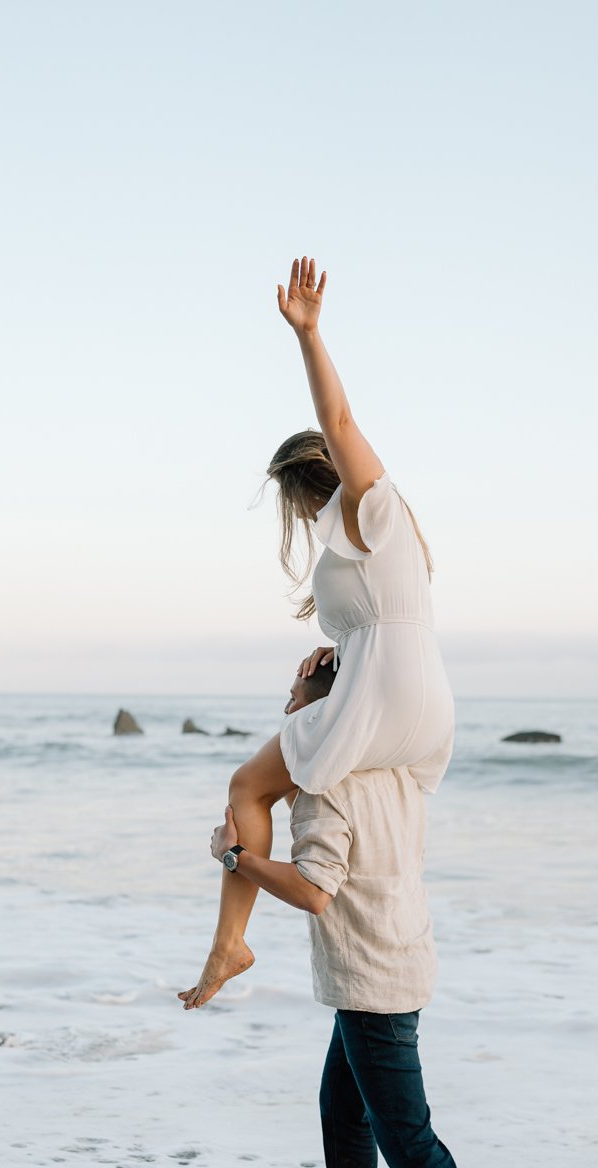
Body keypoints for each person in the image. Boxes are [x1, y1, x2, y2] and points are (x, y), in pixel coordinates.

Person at [179, 256, 454, 1012]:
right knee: (326, 787)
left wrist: (308, 334)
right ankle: (372, 951)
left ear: (312, 481)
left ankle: (230, 942)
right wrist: (340, 653)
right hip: (420, 697)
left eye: (298, 502)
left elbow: (339, 422)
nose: (301, 518)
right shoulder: (376, 545)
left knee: (246, 787)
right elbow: (379, 622)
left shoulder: (373, 507)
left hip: (387, 698)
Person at [178, 755, 544, 1168]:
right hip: (402, 957)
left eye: (294, 698)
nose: (285, 714)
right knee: (343, 1109)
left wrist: (234, 856)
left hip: (371, 981)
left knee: (407, 1141)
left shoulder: (325, 790)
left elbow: (314, 892)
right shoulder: (394, 770)